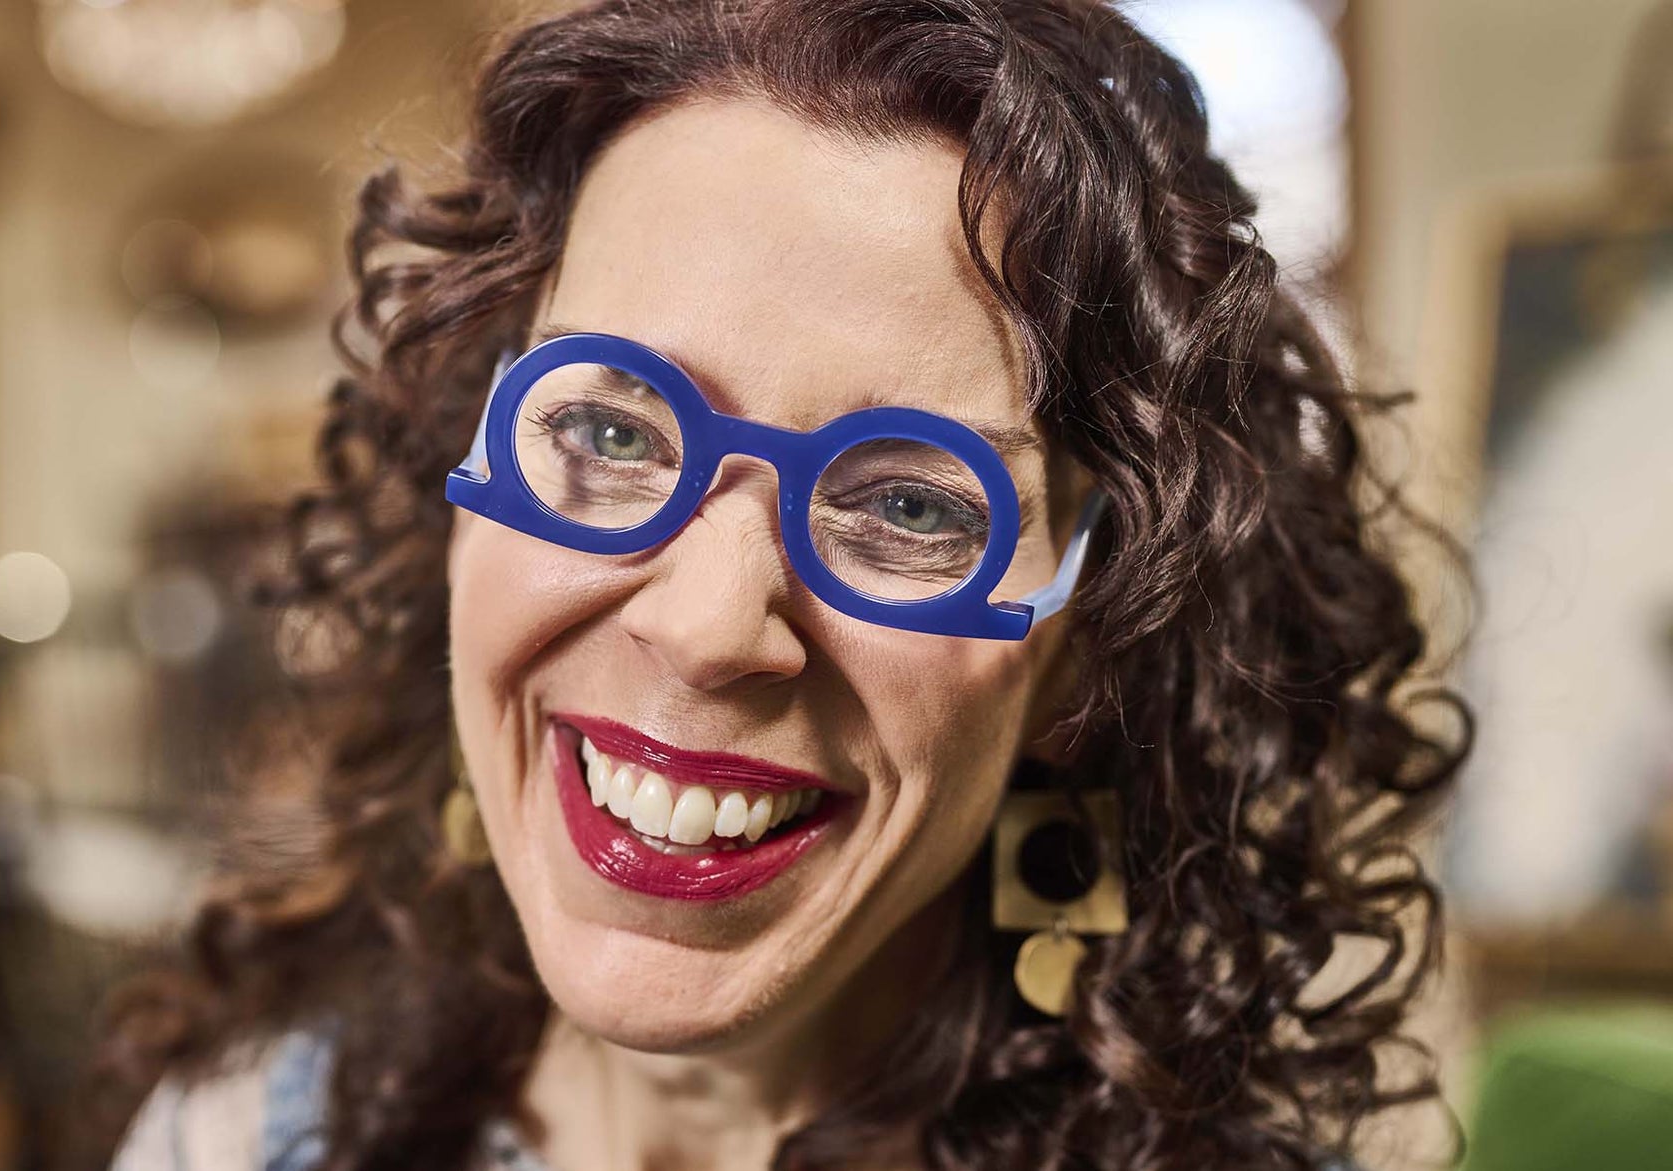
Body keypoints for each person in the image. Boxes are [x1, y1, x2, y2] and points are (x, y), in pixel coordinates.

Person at [95, 2, 1470, 1169]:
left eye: (913, 506)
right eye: (611, 430)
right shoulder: (237, 1132)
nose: (705, 629)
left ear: (1089, 642)